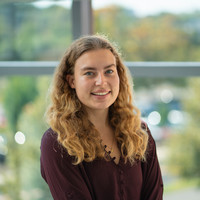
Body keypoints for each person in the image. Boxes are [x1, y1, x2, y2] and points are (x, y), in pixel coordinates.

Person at [40, 35, 163, 200]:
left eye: (109, 71)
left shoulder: (140, 133)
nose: (101, 81)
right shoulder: (57, 143)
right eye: (89, 73)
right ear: (72, 81)